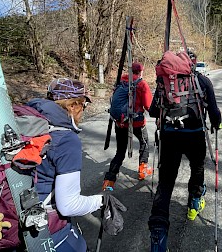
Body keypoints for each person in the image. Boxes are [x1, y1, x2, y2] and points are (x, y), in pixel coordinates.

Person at [26, 78, 119, 251]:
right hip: (46, 231)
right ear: (73, 106)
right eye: (83, 106)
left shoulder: (28, 124)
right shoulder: (66, 140)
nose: (83, 111)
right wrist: (101, 200)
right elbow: (68, 205)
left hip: (10, 222)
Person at [148, 52, 222, 251]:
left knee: (165, 183)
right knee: (197, 168)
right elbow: (214, 112)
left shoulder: (164, 82)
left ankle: (158, 235)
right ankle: (194, 203)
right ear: (192, 64)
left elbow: (153, 111)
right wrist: (216, 123)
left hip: (170, 136)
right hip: (195, 135)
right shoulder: (202, 81)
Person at [102, 62, 153, 190]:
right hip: (137, 123)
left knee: (120, 151)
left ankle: (109, 181)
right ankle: (143, 170)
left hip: (120, 123)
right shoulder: (141, 84)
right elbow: (149, 106)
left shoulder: (121, 82)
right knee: (144, 143)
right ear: (140, 71)